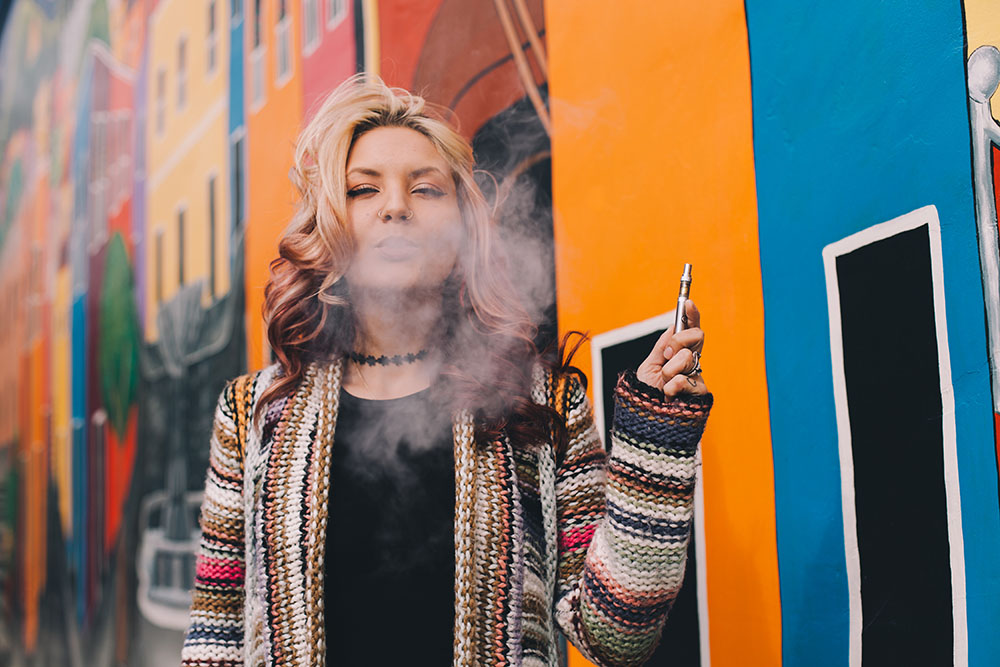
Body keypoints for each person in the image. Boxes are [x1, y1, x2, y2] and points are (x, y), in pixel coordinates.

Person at [179, 74, 712, 667]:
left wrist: (653, 440)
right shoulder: (254, 412)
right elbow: (214, 642)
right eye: (362, 190)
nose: (396, 207)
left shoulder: (544, 408)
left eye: (426, 189)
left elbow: (617, 640)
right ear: (329, 224)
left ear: (464, 228)